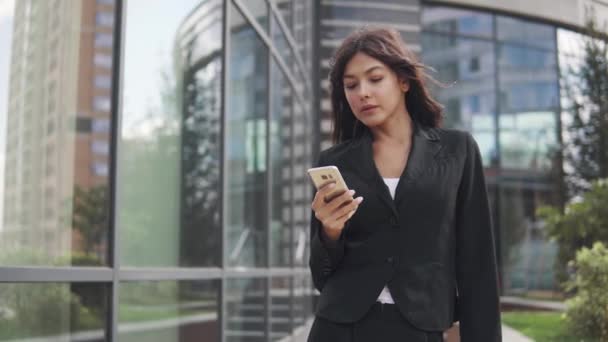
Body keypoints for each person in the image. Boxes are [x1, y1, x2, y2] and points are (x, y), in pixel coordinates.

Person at [307, 26, 501, 342]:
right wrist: (329, 232)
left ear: (403, 80)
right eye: (351, 85)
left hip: (420, 328)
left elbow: (477, 265)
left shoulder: (458, 151)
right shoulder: (334, 162)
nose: (363, 93)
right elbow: (320, 275)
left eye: (375, 78)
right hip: (339, 329)